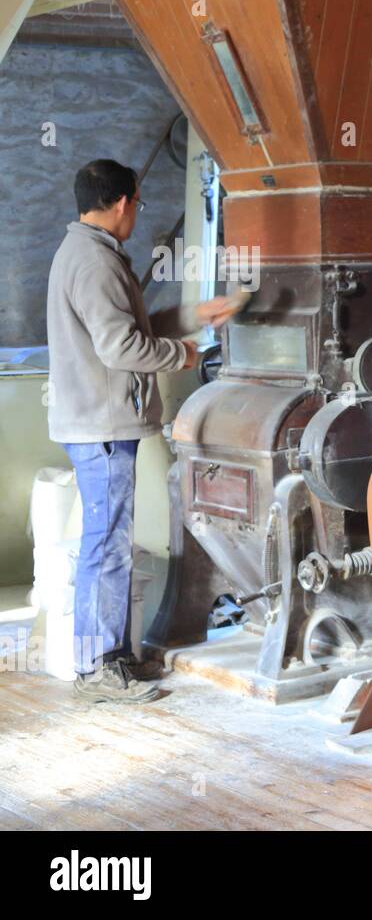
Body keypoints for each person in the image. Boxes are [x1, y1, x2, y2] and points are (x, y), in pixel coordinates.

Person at [45, 158, 240, 703]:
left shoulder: (85, 253)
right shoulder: (96, 263)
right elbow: (121, 347)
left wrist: (195, 314)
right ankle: (102, 667)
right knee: (107, 547)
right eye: (139, 203)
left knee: (103, 543)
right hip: (103, 425)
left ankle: (105, 662)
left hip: (96, 422)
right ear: (125, 202)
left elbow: (133, 328)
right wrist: (182, 354)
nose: (137, 213)